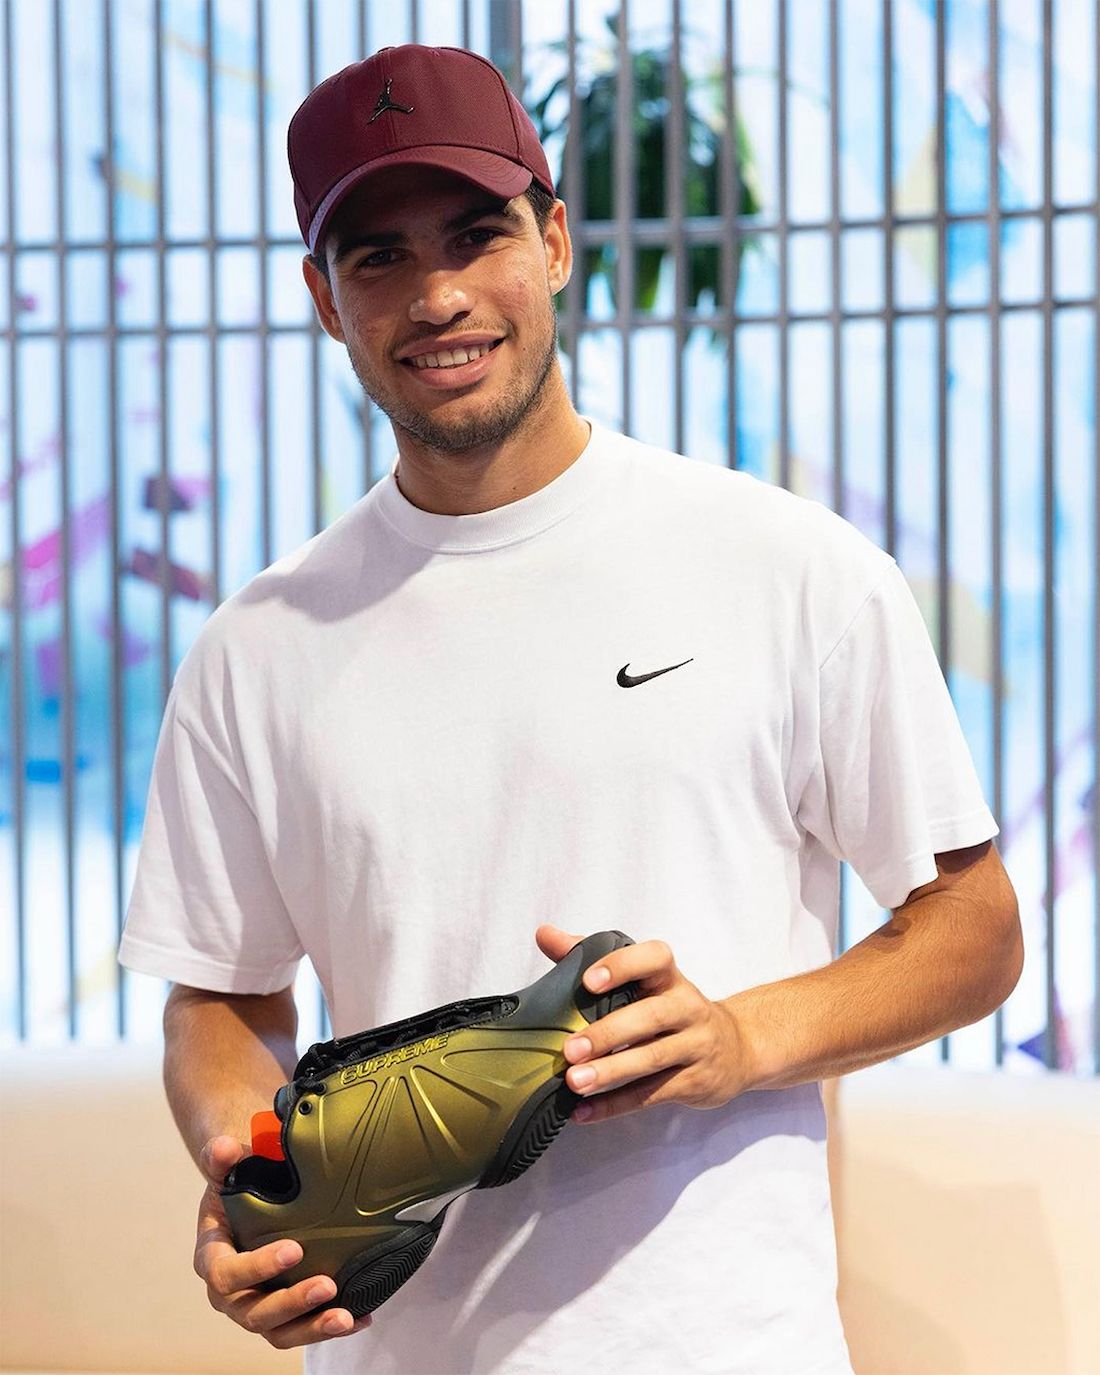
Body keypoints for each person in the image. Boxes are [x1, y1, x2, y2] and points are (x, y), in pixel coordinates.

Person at [118, 42, 1022, 1375]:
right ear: (325, 298)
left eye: (476, 235)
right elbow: (221, 1001)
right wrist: (254, 1184)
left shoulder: (789, 568)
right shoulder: (258, 644)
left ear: (553, 240)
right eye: (378, 258)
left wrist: (739, 1037)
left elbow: (976, 930)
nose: (437, 297)